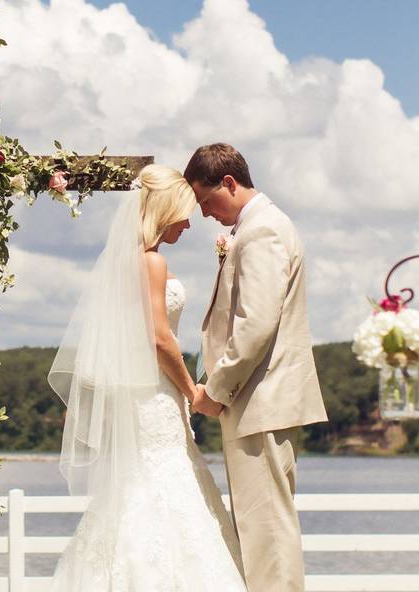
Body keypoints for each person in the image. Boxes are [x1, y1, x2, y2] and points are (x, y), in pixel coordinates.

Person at [48, 165, 246, 590]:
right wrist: (192, 388)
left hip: (141, 394)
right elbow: (159, 338)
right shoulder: (152, 262)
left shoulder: (123, 264)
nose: (190, 223)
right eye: (184, 213)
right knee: (165, 481)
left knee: (140, 484)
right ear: (163, 209)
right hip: (157, 393)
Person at [185, 143, 328, 592]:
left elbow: (256, 324)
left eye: (206, 201)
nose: (205, 214)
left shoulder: (263, 231)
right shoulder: (260, 227)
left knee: (266, 529)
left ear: (229, 183)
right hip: (259, 401)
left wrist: (215, 389)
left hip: (260, 399)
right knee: (261, 526)